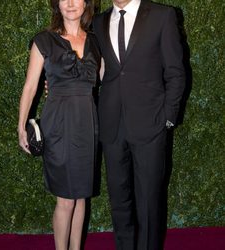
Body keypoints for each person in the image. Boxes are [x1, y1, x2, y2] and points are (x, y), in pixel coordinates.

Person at [92, 0, 186, 249]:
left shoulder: (162, 16)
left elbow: (176, 72)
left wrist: (167, 117)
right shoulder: (98, 22)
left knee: (149, 201)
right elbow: (95, 68)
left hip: (151, 124)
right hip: (111, 125)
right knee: (119, 202)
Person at [18, 0, 100, 249]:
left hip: (87, 124)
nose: (71, 3)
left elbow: (107, 79)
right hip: (59, 126)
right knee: (65, 200)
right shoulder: (44, 41)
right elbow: (31, 86)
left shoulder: (96, 42)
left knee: (81, 197)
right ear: (57, 5)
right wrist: (21, 126)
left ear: (86, 4)